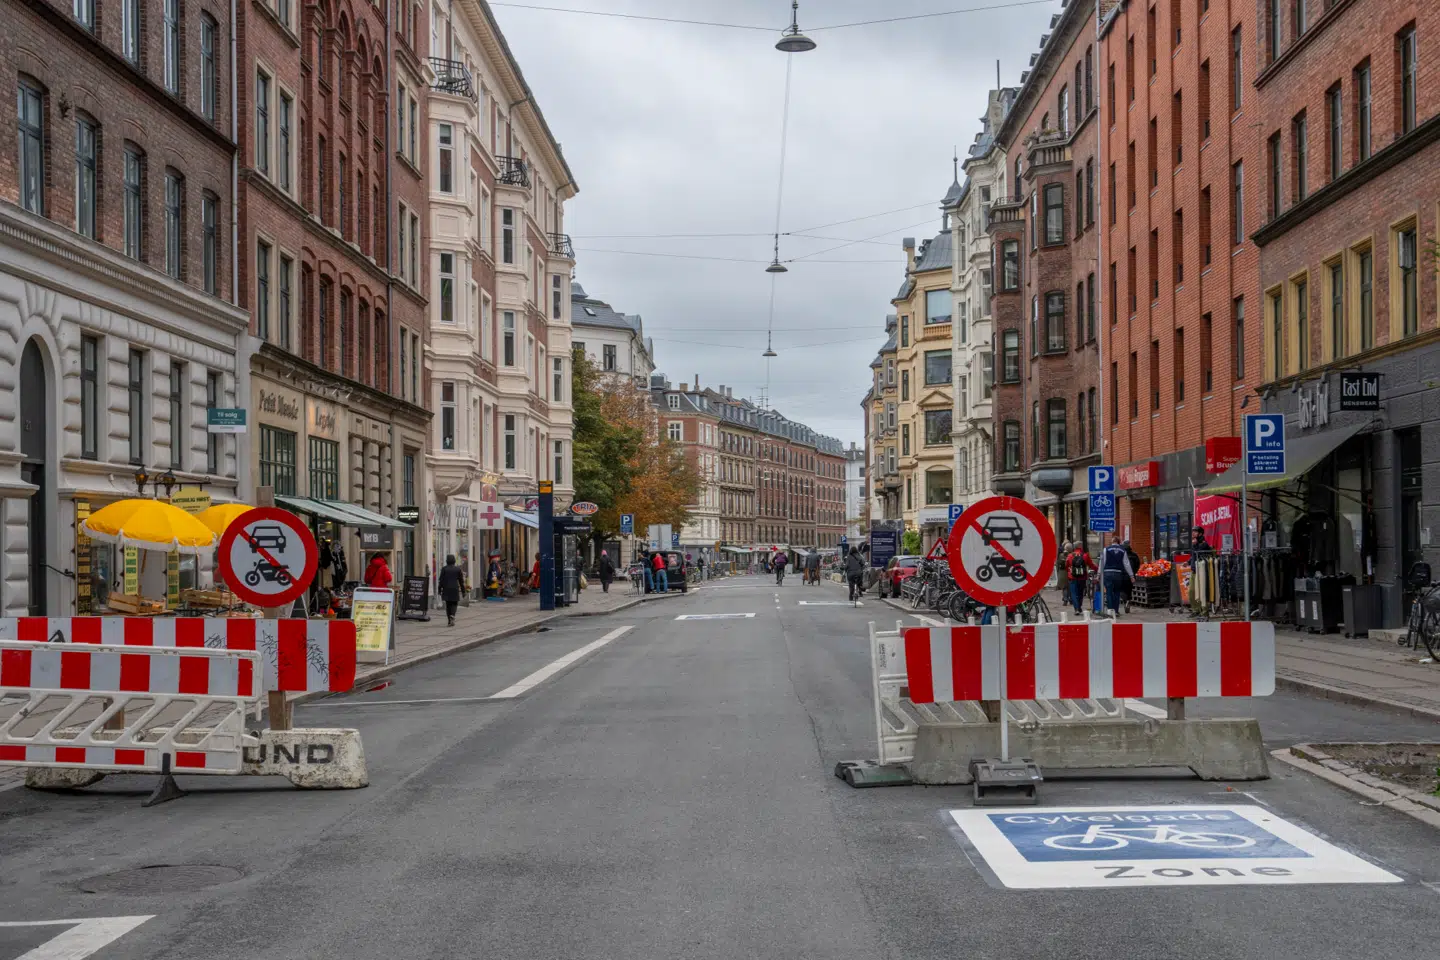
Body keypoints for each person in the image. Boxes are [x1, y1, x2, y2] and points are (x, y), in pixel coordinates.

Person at [1101, 535, 1135, 617]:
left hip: (1108, 573)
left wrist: (1099, 574)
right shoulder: (1123, 551)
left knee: (1109, 592)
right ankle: (1116, 611)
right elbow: (1126, 564)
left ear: (1112, 542)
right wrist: (1131, 576)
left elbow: (1102, 563)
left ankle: (1110, 610)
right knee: (1117, 592)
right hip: (1118, 574)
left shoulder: (1106, 549)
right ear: (1119, 542)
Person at [1064, 540, 1096, 614]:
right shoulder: (1085, 555)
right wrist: (1098, 569)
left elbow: (1066, 566)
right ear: (1081, 547)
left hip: (1072, 577)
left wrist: (1069, 572)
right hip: (1082, 577)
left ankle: (1077, 609)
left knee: (1074, 593)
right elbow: (1091, 565)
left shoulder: (1070, 555)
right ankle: (1079, 606)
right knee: (1080, 593)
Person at [437, 554, 466, 626]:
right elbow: (461, 581)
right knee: (454, 603)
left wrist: (439, 589)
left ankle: (449, 621)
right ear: (454, 561)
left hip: (446, 588)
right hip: (455, 588)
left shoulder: (444, 569)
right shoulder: (458, 569)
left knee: (448, 604)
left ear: (447, 561)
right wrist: (463, 591)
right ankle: (452, 615)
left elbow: (441, 580)